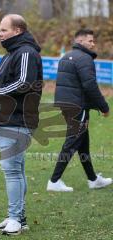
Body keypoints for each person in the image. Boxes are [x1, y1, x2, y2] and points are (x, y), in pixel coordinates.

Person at [0, 14, 43, 235]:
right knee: (17, 170)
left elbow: (24, 83)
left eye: (4, 29)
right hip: (8, 119)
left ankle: (16, 218)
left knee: (12, 172)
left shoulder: (26, 52)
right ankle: (19, 217)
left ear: (18, 31)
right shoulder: (13, 52)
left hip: (17, 120)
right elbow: (9, 82)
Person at [47, 29, 112, 192]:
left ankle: (93, 179)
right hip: (77, 107)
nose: (93, 43)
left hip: (66, 105)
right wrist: (103, 106)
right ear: (81, 41)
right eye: (90, 41)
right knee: (72, 142)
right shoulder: (84, 58)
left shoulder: (65, 57)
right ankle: (54, 181)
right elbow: (89, 85)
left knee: (83, 144)